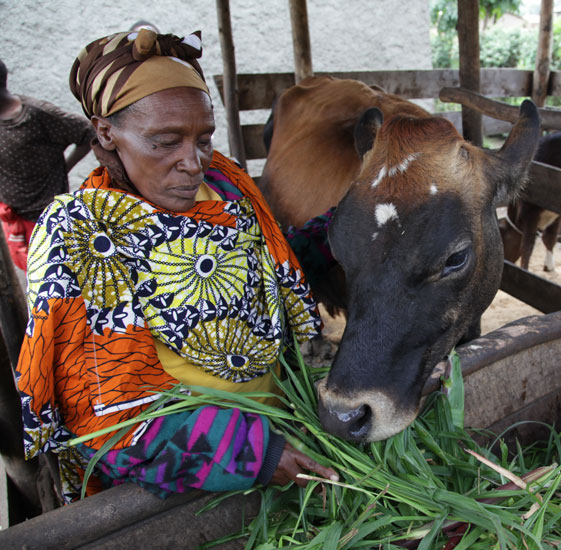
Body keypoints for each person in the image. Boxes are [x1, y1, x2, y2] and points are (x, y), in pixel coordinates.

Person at [13, 28, 337, 504]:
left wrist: (344, 227)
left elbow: (273, 271)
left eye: (203, 137)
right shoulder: (83, 235)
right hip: (182, 487)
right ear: (106, 133)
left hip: (283, 442)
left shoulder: (227, 186)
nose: (192, 162)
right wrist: (257, 455)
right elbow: (107, 412)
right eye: (164, 142)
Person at [0, 58, 95, 271]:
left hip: (47, 220)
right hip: (14, 218)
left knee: (57, 280)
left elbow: (88, 132)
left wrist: (63, 168)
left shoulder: (36, 115)